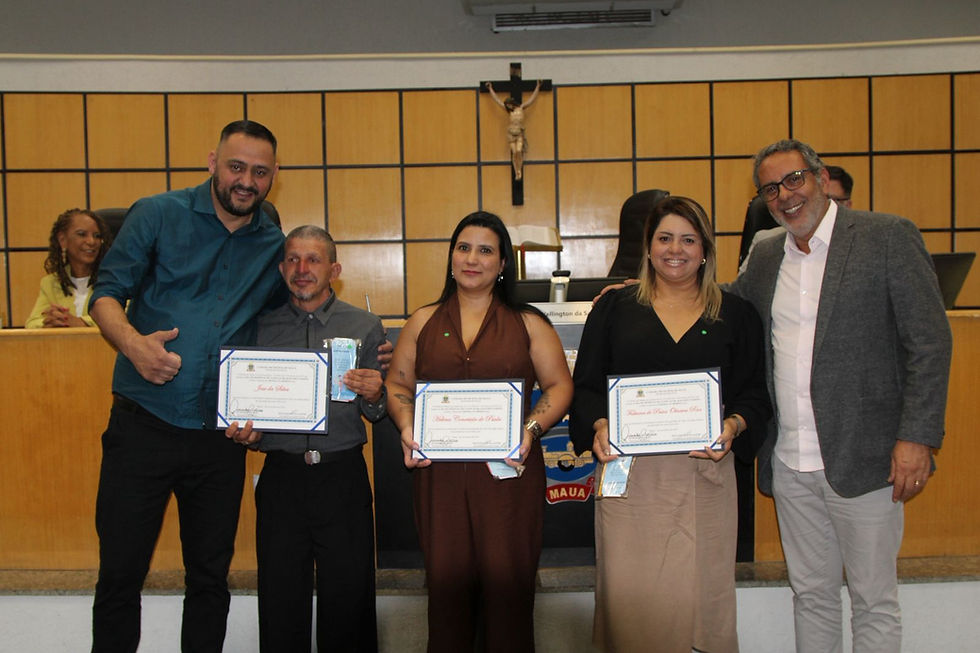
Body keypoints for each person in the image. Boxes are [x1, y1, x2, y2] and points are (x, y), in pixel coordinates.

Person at [729, 139, 952, 652]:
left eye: (794, 180)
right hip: (789, 461)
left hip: (868, 457)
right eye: (770, 188)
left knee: (873, 600)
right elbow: (722, 308)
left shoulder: (887, 237)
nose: (784, 196)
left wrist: (917, 436)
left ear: (821, 177)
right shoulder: (765, 253)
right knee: (811, 594)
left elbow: (930, 342)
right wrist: (639, 289)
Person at [87, 119, 288, 653]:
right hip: (143, 426)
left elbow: (284, 324)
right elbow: (104, 295)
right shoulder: (156, 213)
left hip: (217, 440)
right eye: (237, 166)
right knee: (120, 577)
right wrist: (134, 346)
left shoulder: (273, 243)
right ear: (212, 163)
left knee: (209, 581)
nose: (247, 180)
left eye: (260, 172)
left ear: (273, 179)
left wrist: (361, 350)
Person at [570, 196, 771, 653]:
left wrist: (735, 426)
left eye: (687, 239)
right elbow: (585, 388)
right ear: (647, 246)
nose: (674, 249)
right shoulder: (615, 308)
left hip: (704, 476)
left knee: (703, 604)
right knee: (631, 604)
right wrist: (600, 424)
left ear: (705, 250)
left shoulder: (736, 314)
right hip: (631, 479)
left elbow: (755, 394)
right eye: (664, 238)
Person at [385, 210, 573, 653]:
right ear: (451, 257)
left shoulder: (529, 322)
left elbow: (560, 386)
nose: (472, 258)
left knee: (509, 597)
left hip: (509, 477)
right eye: (463, 248)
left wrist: (531, 429)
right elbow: (397, 384)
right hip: (441, 478)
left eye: (485, 250)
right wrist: (408, 425)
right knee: (448, 598)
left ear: (503, 263)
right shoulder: (423, 321)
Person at [226, 226, 385, 652]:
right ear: (281, 268)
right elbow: (250, 411)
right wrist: (248, 432)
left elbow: (377, 412)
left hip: (342, 478)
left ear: (334, 269)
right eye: (293, 259)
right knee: (280, 602)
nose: (302, 269)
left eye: (313, 260)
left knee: (349, 602)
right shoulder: (259, 328)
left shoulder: (366, 325)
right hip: (282, 480)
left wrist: (377, 393)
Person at [737, 164, 853, 275]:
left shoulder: (863, 241)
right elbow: (739, 294)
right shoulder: (765, 243)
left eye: (830, 199)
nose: (822, 203)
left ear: (848, 205)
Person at [26, 208, 111, 328]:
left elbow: (126, 316)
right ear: (62, 240)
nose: (92, 241)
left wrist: (82, 322)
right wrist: (52, 321)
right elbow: (32, 323)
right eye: (82, 234)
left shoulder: (113, 279)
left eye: (97, 236)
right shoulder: (50, 283)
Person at [486, 80, 541, 180]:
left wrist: (537, 87)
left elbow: (531, 99)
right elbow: (497, 100)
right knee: (514, 152)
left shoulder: (521, 107)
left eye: (509, 105)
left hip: (519, 132)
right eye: (507, 106)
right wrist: (490, 89)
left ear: (512, 103)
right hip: (511, 132)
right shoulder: (509, 111)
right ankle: (517, 171)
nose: (508, 106)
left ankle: (519, 170)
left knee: (519, 151)